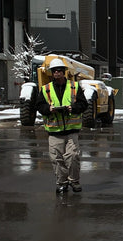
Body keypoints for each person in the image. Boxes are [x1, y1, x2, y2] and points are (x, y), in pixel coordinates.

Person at [35, 59, 88, 193]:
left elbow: (83, 104)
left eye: (59, 70)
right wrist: (49, 109)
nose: (57, 73)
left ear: (64, 72)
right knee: (57, 159)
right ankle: (62, 183)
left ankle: (74, 181)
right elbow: (39, 106)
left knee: (73, 156)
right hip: (54, 131)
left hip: (71, 130)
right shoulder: (45, 89)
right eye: (54, 71)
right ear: (52, 73)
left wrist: (73, 108)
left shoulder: (74, 87)